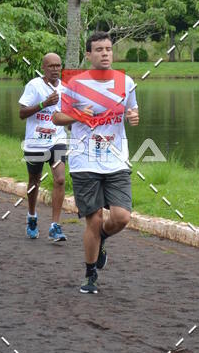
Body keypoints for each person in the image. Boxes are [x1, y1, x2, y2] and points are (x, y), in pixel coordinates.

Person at [52, 32, 139, 294]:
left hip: (116, 159)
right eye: (99, 49)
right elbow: (57, 118)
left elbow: (130, 110)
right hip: (84, 160)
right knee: (94, 219)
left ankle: (101, 239)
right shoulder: (74, 84)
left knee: (122, 217)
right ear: (88, 54)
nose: (105, 53)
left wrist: (133, 117)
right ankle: (90, 274)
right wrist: (77, 114)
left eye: (109, 49)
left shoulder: (126, 81)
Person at [19, 53, 68, 242]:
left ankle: (55, 226)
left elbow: (66, 115)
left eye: (58, 65)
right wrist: (43, 104)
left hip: (57, 140)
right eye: (51, 66)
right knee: (34, 181)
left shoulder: (65, 88)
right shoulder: (34, 86)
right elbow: (22, 113)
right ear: (44, 67)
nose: (55, 69)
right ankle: (32, 216)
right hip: (35, 142)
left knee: (61, 179)